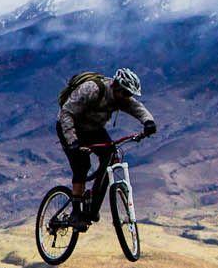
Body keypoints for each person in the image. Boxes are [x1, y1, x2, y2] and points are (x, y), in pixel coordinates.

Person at [56, 66, 156, 219]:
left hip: (93, 129)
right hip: (70, 127)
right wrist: (72, 141)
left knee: (110, 155)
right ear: (116, 86)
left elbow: (136, 107)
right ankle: (76, 211)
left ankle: (92, 209)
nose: (127, 97)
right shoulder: (92, 89)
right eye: (126, 93)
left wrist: (148, 122)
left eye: (130, 94)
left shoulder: (121, 97)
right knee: (81, 165)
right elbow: (66, 112)